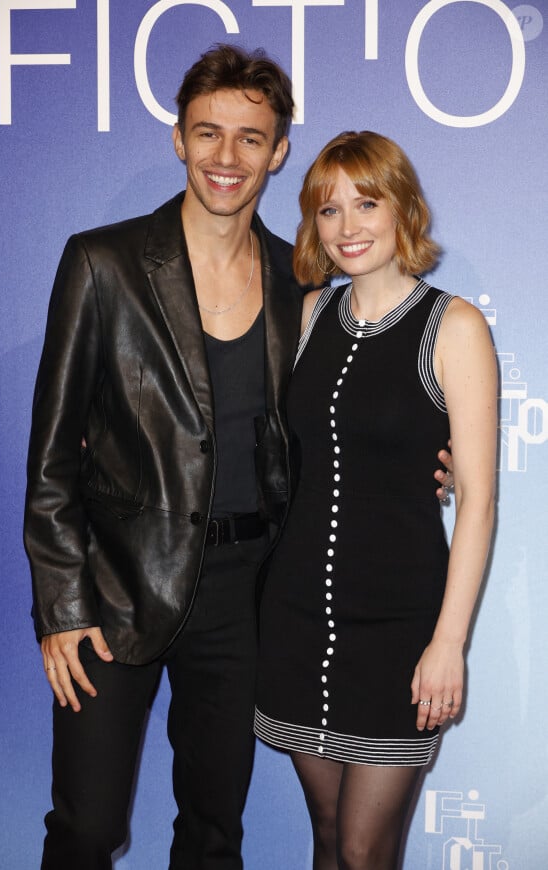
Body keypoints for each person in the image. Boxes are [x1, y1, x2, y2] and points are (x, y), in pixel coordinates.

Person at [24, 45, 453, 867]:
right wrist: (62, 606)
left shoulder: (303, 286)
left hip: (250, 594)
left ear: (279, 149)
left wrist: (448, 467)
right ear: (178, 140)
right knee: (87, 827)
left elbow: (355, 420)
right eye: (208, 134)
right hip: (115, 587)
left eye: (251, 138)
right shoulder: (102, 262)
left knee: (215, 832)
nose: (228, 158)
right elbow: (51, 460)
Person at [254, 131, 497, 870]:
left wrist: (448, 642)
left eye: (367, 203)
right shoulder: (305, 318)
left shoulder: (454, 326)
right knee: (328, 839)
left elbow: (479, 502)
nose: (348, 227)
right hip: (295, 622)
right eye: (329, 211)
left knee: (365, 851)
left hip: (399, 634)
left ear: (403, 210)